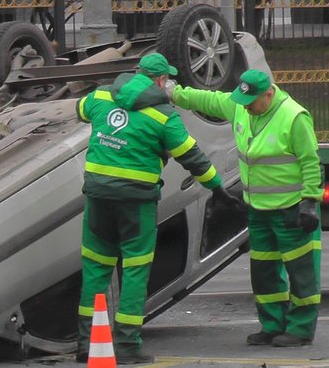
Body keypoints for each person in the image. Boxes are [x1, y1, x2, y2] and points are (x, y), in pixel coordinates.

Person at [75, 53, 242, 365]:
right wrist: (218, 187)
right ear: (161, 80)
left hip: (98, 196)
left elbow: (80, 111)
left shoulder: (101, 96)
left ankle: (88, 342)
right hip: (136, 202)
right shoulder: (164, 116)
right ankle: (127, 346)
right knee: (135, 269)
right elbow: (192, 156)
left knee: (96, 267)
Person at [169, 69, 322, 347]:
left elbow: (310, 161)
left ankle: (301, 329)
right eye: (244, 101)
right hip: (258, 210)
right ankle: (272, 324)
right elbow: (209, 100)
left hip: (290, 209)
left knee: (301, 271)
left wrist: (310, 201)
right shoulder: (241, 106)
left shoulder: (294, 116)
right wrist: (174, 93)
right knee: (263, 271)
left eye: (252, 102)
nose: (247, 107)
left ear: (269, 93)